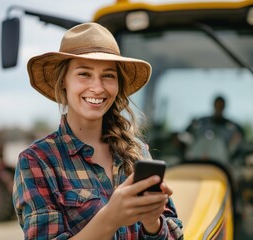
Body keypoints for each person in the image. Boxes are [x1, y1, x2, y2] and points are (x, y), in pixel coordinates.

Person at [12, 22, 183, 240]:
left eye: (108, 75)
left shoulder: (137, 152)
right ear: (63, 81)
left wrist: (153, 222)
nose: (98, 87)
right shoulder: (37, 161)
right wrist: (111, 217)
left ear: (118, 84)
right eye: (84, 74)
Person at [185, 95, 244, 162]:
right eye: (217, 106)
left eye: (221, 106)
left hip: (221, 163)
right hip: (197, 161)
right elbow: (186, 135)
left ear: (224, 107)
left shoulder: (232, 127)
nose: (219, 108)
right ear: (214, 105)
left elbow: (239, 143)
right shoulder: (200, 123)